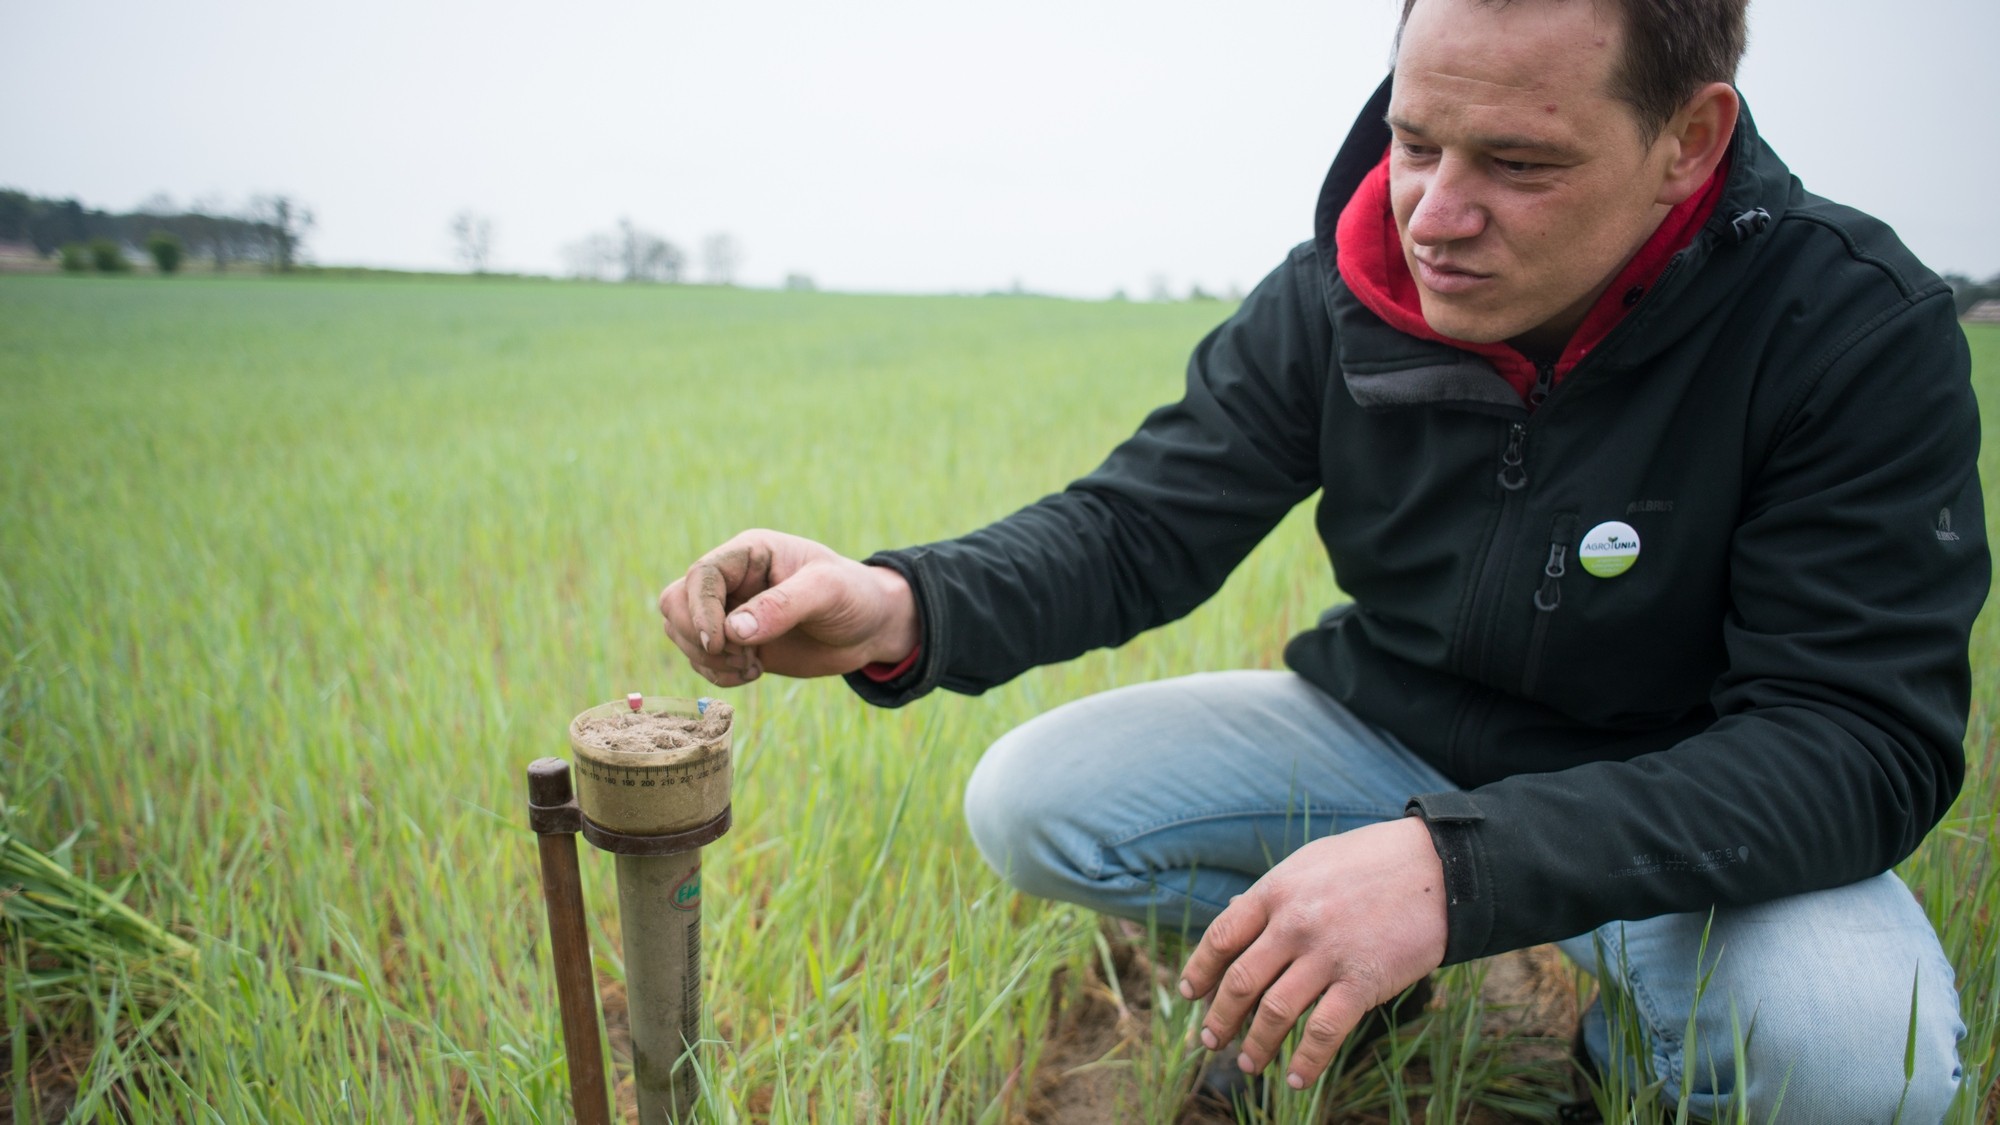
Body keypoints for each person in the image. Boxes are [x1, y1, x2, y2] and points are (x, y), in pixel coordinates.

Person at [659, 0, 1986, 1118]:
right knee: (1034, 797)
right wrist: (901, 602)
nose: (1434, 215)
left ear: (1687, 141)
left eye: (1520, 165)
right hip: (1393, 728)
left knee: (1849, 1041)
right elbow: (1141, 522)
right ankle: (1359, 1005)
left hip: (1678, 805)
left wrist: (1458, 867)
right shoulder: (1347, 285)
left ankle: (1622, 1058)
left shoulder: (1848, 330)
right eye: (1415, 141)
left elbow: (1854, 740)